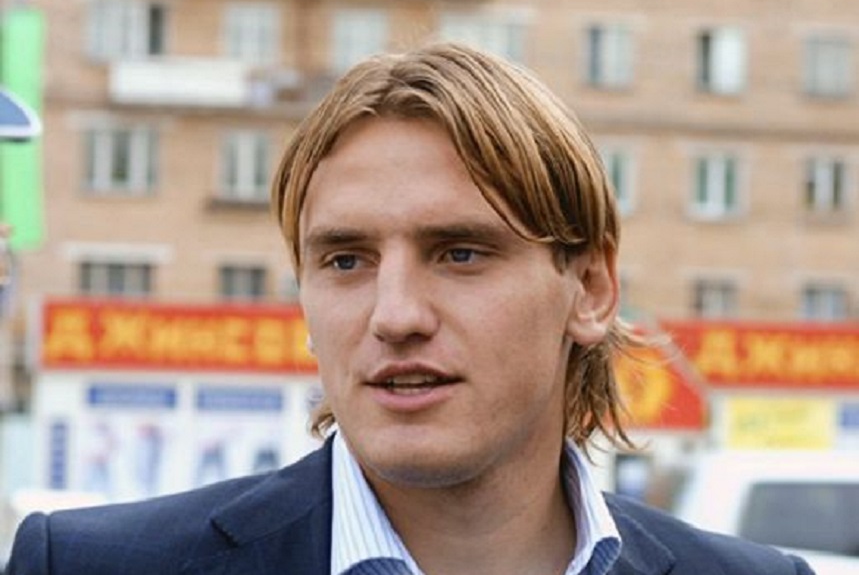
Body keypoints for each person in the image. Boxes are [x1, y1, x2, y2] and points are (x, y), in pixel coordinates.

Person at [7, 42, 814, 575]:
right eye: (345, 260)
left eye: (459, 253)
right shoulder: (88, 564)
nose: (394, 316)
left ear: (590, 287)